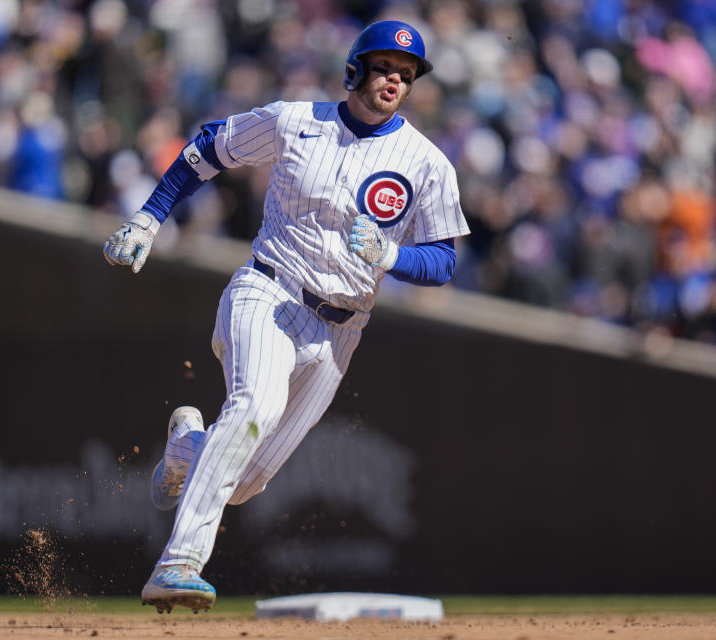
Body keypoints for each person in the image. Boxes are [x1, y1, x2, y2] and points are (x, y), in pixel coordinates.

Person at [103, 19, 470, 613]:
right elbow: (208, 147)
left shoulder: (426, 163)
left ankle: (185, 449)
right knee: (253, 407)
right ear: (356, 69)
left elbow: (444, 261)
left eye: (405, 75)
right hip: (269, 290)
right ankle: (179, 563)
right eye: (383, 68)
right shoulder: (296, 121)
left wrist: (393, 254)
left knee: (246, 482)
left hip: (341, 330)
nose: (394, 82)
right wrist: (149, 216)